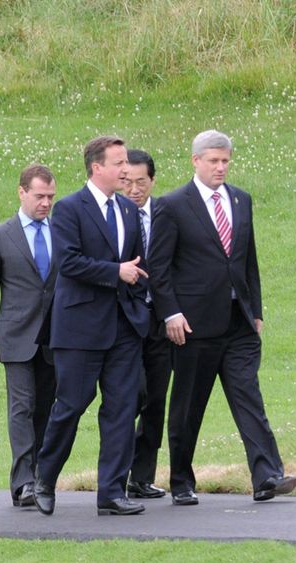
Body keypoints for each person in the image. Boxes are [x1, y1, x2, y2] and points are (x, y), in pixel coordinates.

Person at [148, 129, 296, 504]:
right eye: (213, 160)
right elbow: (159, 267)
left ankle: (267, 475)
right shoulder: (173, 204)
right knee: (188, 408)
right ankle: (181, 481)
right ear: (195, 160)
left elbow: (248, 259)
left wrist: (256, 310)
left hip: (239, 322)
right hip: (193, 325)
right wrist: (171, 314)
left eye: (225, 160)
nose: (220, 167)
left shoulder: (240, 199)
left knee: (249, 397)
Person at [34, 136, 150, 516]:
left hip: (123, 327)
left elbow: (139, 264)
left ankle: (112, 492)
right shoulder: (68, 209)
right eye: (118, 163)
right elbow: (69, 263)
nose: (126, 170)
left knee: (122, 407)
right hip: (81, 328)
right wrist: (117, 272)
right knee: (71, 405)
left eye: (127, 162)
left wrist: (138, 300)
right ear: (96, 167)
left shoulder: (130, 211)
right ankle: (45, 479)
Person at [0, 164, 58, 509]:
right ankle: (23, 481)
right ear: (21, 192)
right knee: (21, 407)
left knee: (46, 409)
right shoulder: (0, 236)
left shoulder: (61, 231)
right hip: (15, 336)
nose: (45, 203)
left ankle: (39, 477)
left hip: (55, 338)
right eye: (39, 196)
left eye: (51, 197)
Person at [121, 149, 170, 499]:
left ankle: (142, 476)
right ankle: (116, 472)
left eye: (142, 182)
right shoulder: (113, 215)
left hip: (160, 319)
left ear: (152, 181)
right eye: (128, 182)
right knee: (131, 394)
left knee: (155, 398)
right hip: (124, 319)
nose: (135, 189)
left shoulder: (169, 213)